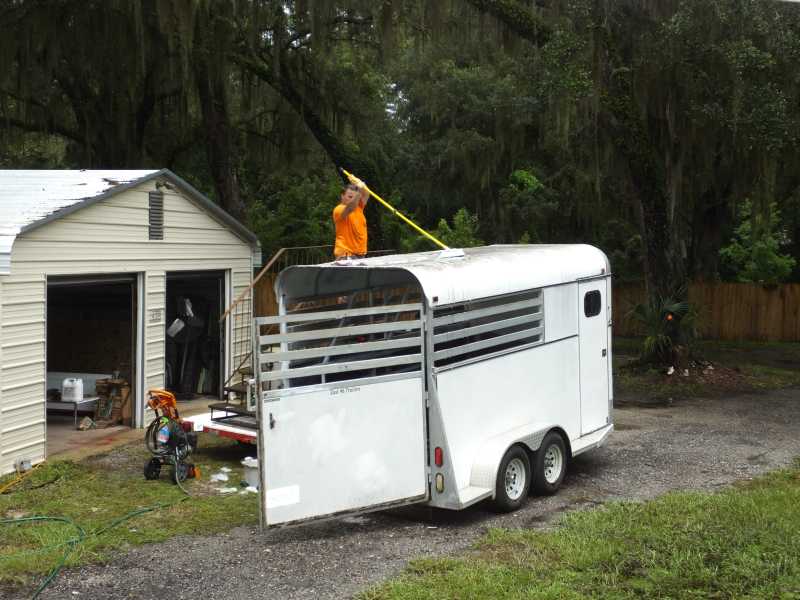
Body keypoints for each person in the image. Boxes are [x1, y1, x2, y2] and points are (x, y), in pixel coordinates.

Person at [332, 179, 369, 259]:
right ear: (342, 196)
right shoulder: (339, 209)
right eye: (350, 197)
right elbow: (350, 207)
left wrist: (360, 183)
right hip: (345, 253)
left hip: (361, 254)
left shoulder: (359, 207)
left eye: (354, 197)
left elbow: (366, 194)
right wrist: (359, 192)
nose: (352, 199)